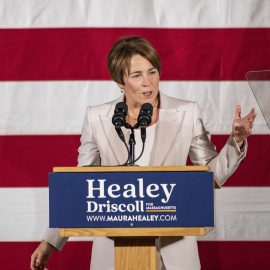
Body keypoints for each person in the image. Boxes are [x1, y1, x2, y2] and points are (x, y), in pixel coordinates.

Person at [30, 36, 256, 270]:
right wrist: (50, 240)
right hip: (114, 250)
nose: (148, 82)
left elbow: (210, 174)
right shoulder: (97, 118)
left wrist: (236, 141)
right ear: (120, 81)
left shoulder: (186, 112)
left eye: (152, 71)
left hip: (174, 251)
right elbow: (82, 186)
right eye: (137, 75)